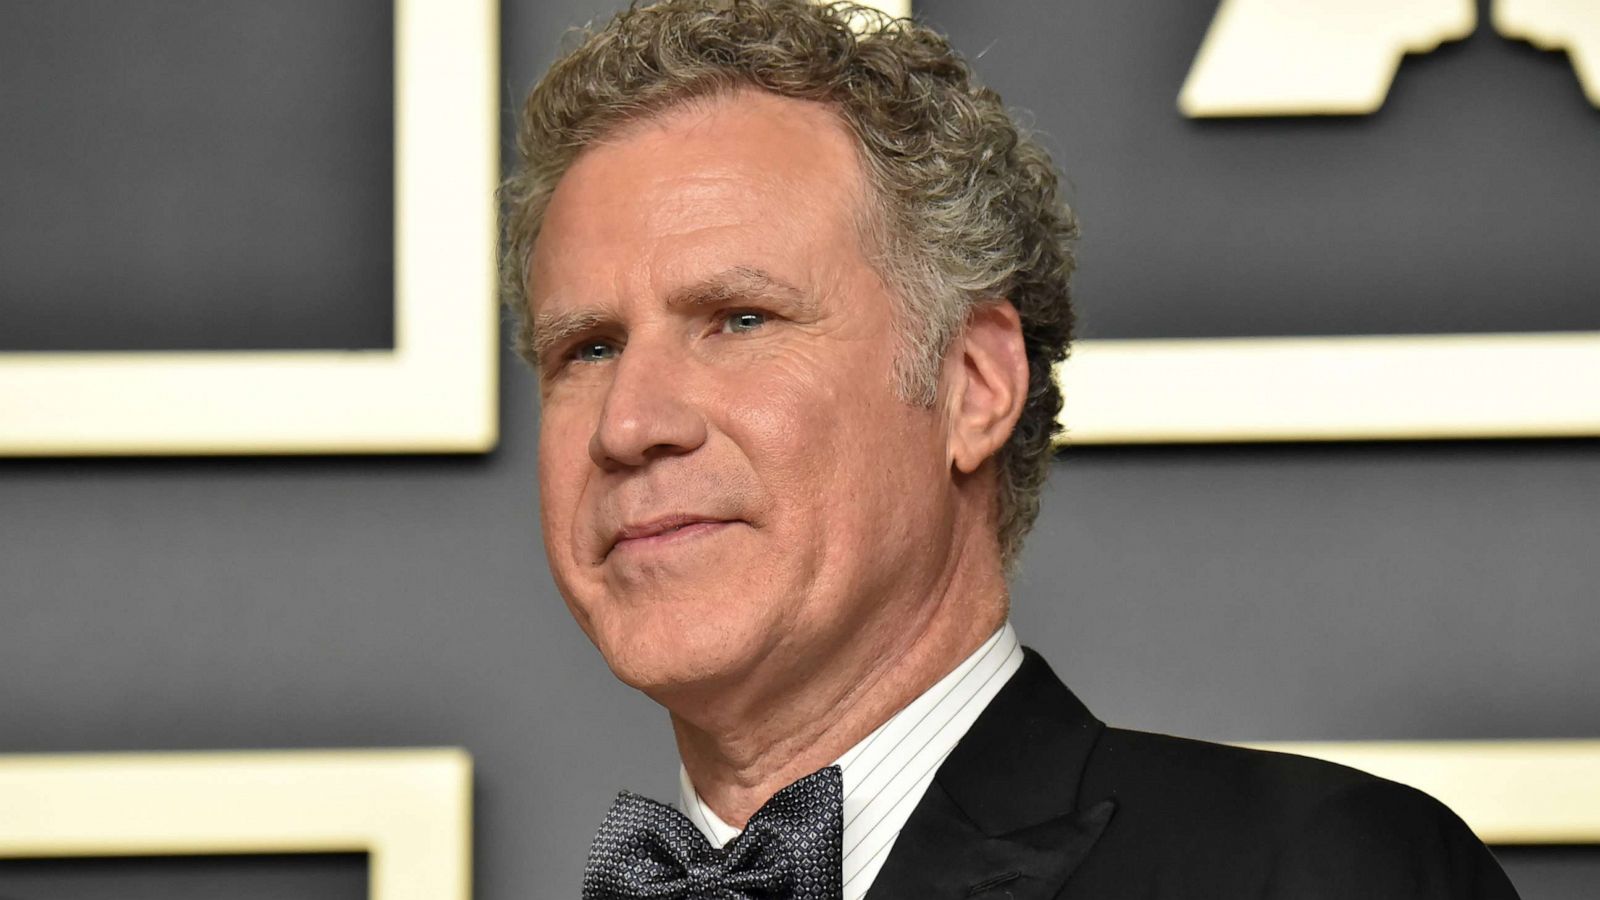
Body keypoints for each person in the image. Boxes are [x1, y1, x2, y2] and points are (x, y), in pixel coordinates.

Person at [502, 1, 1521, 897]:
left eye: (739, 319)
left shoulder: (1317, 873)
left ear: (974, 386)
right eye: (586, 348)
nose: (629, 424)